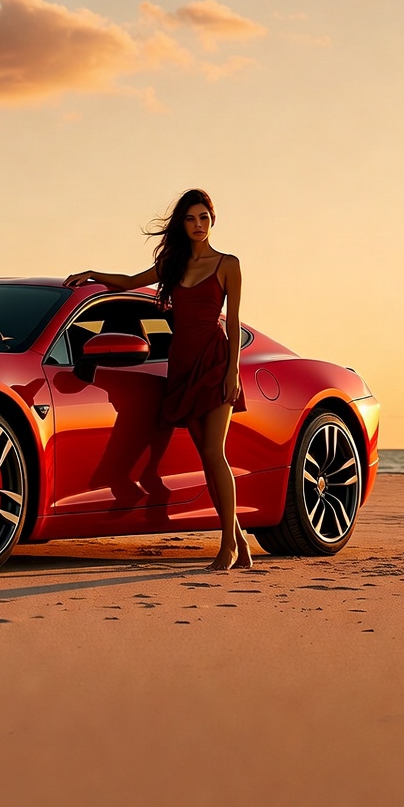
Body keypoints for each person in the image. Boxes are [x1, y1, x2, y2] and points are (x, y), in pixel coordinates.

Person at [65, 189, 252, 571]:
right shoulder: (173, 263)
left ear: (213, 220)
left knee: (216, 455)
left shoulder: (228, 264)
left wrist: (233, 371)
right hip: (182, 365)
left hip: (215, 363)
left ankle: (227, 547)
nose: (198, 225)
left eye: (204, 218)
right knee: (206, 458)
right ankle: (240, 541)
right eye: (190, 219)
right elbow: (131, 281)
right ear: (181, 224)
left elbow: (232, 322)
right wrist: (93, 274)